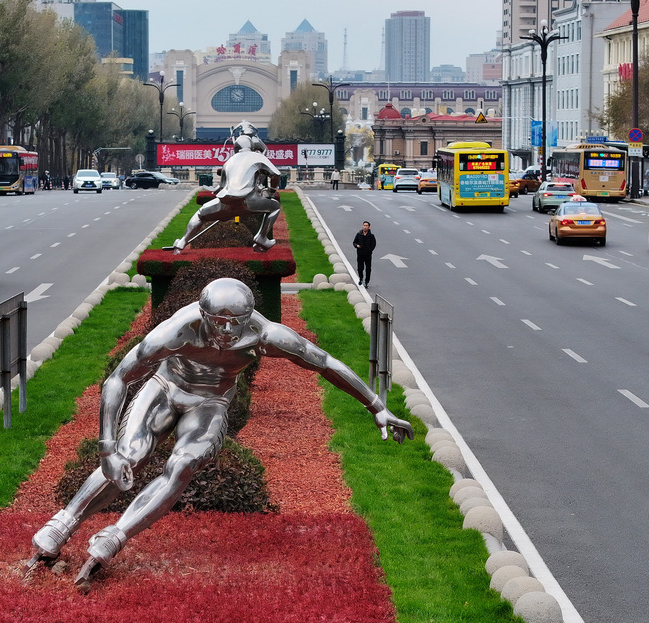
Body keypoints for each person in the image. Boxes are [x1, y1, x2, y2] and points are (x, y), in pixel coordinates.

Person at [29, 278, 414, 585]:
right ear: (203, 314)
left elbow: (324, 362)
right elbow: (118, 379)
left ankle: (115, 536)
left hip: (211, 401)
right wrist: (106, 448)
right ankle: (64, 522)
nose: (228, 331)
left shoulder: (266, 335)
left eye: (237, 323)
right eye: (219, 322)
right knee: (131, 455)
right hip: (164, 388)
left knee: (183, 466)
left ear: (250, 317)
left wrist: (377, 407)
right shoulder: (178, 330)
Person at [172, 123, 281, 253]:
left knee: (200, 214)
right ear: (251, 146)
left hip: (225, 202)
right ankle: (261, 237)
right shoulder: (258, 157)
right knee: (274, 207)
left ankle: (182, 241)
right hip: (248, 201)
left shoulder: (228, 162)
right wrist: (271, 191)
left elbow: (220, 187)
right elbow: (276, 175)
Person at [353, 220, 376, 287]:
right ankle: (361, 278)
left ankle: (367, 281)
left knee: (368, 269)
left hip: (368, 255)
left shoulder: (371, 236)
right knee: (360, 268)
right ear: (362, 226)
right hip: (360, 254)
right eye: (364, 225)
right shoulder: (358, 234)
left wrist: (370, 250)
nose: (365, 227)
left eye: (366, 226)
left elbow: (373, 244)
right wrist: (356, 245)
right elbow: (354, 242)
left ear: (369, 227)